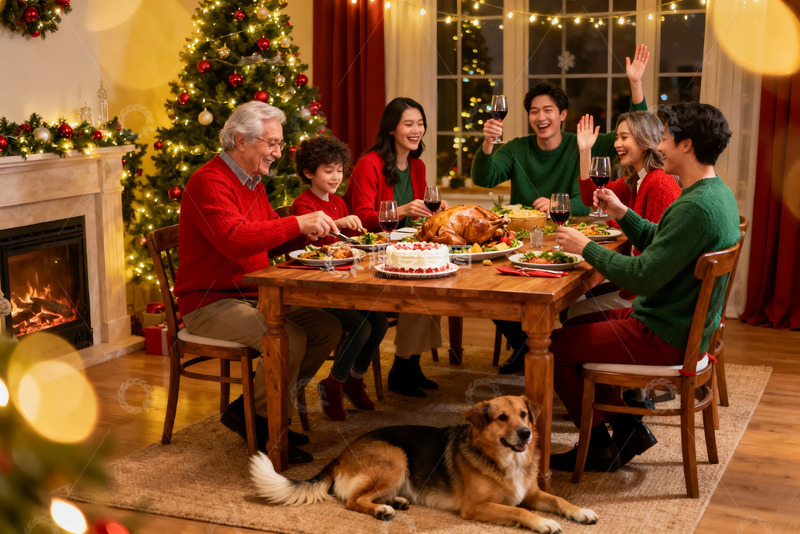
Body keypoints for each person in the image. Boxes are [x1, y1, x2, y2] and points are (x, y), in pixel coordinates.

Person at [548, 102, 741, 472]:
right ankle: (626, 428)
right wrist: (623, 213)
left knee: (555, 348)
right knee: (574, 327)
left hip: (666, 334)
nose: (661, 146)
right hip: (680, 324)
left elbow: (641, 275)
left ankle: (598, 445)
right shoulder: (715, 195)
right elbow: (661, 241)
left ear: (686, 145)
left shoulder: (694, 207)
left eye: (666, 138)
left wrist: (584, 246)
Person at [173, 101, 342, 464]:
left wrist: (311, 231)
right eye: (271, 144)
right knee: (288, 338)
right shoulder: (209, 182)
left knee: (328, 327)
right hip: (208, 303)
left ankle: (255, 409)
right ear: (241, 141)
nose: (278, 153)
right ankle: (267, 426)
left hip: (252, 294)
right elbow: (233, 239)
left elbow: (270, 237)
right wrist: (297, 223)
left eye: (279, 145)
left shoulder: (252, 184)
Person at [483, 44, 651, 374]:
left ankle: (549, 351)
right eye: (533, 111)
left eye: (548, 110)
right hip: (526, 238)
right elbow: (484, 175)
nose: (540, 117)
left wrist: (635, 84)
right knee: (496, 290)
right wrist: (489, 142)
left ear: (562, 115)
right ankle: (528, 347)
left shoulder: (584, 141)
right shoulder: (517, 148)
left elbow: (638, 131)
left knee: (566, 295)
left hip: (576, 240)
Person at [345, 97, 448, 398]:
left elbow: (419, 217)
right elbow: (361, 218)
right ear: (391, 128)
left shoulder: (417, 165)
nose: (417, 130)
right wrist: (401, 210)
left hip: (405, 251)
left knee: (436, 279)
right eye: (409, 124)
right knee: (422, 289)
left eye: (420, 124)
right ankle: (402, 369)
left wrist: (436, 210)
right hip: (373, 256)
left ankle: (410, 365)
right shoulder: (370, 164)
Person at [291, 135, 389, 420]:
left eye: (339, 169)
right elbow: (315, 247)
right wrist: (338, 226)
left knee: (379, 321)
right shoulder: (304, 207)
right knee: (361, 327)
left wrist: (363, 236)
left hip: (342, 286)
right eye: (328, 170)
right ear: (309, 173)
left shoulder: (338, 202)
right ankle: (333, 383)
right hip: (316, 290)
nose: (336, 176)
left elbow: (348, 245)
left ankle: (354, 379)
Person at [564, 110, 681, 318]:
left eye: (624, 137)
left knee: (573, 310)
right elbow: (591, 195)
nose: (617, 144)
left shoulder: (660, 183)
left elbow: (657, 257)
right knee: (573, 300)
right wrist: (585, 151)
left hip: (650, 298)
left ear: (645, 141)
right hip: (639, 285)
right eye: (617, 138)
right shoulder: (637, 179)